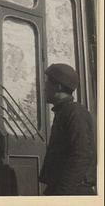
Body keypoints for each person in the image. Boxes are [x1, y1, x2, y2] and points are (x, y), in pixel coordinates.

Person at [39, 63, 97, 195]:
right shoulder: (64, 111)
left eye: (47, 83)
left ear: (58, 87)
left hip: (74, 191)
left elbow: (82, 154)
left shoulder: (74, 111)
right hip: (65, 188)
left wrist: (62, 193)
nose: (44, 88)